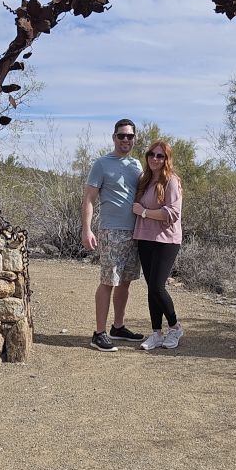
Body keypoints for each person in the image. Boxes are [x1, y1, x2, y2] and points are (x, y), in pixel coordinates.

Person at [81, 119, 145, 352]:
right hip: (111, 231)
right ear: (113, 137)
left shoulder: (137, 165)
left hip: (134, 231)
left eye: (129, 136)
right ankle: (99, 333)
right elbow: (89, 198)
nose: (125, 140)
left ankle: (118, 326)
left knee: (125, 281)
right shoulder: (101, 164)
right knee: (108, 281)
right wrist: (86, 229)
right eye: (121, 136)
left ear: (134, 139)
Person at [132, 140, 184, 350]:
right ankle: (156, 333)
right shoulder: (144, 180)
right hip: (145, 238)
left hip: (166, 240)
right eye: (151, 154)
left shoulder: (171, 181)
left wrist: (143, 212)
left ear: (166, 159)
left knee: (157, 286)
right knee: (151, 289)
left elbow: (172, 214)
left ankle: (175, 327)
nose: (155, 158)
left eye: (160, 156)